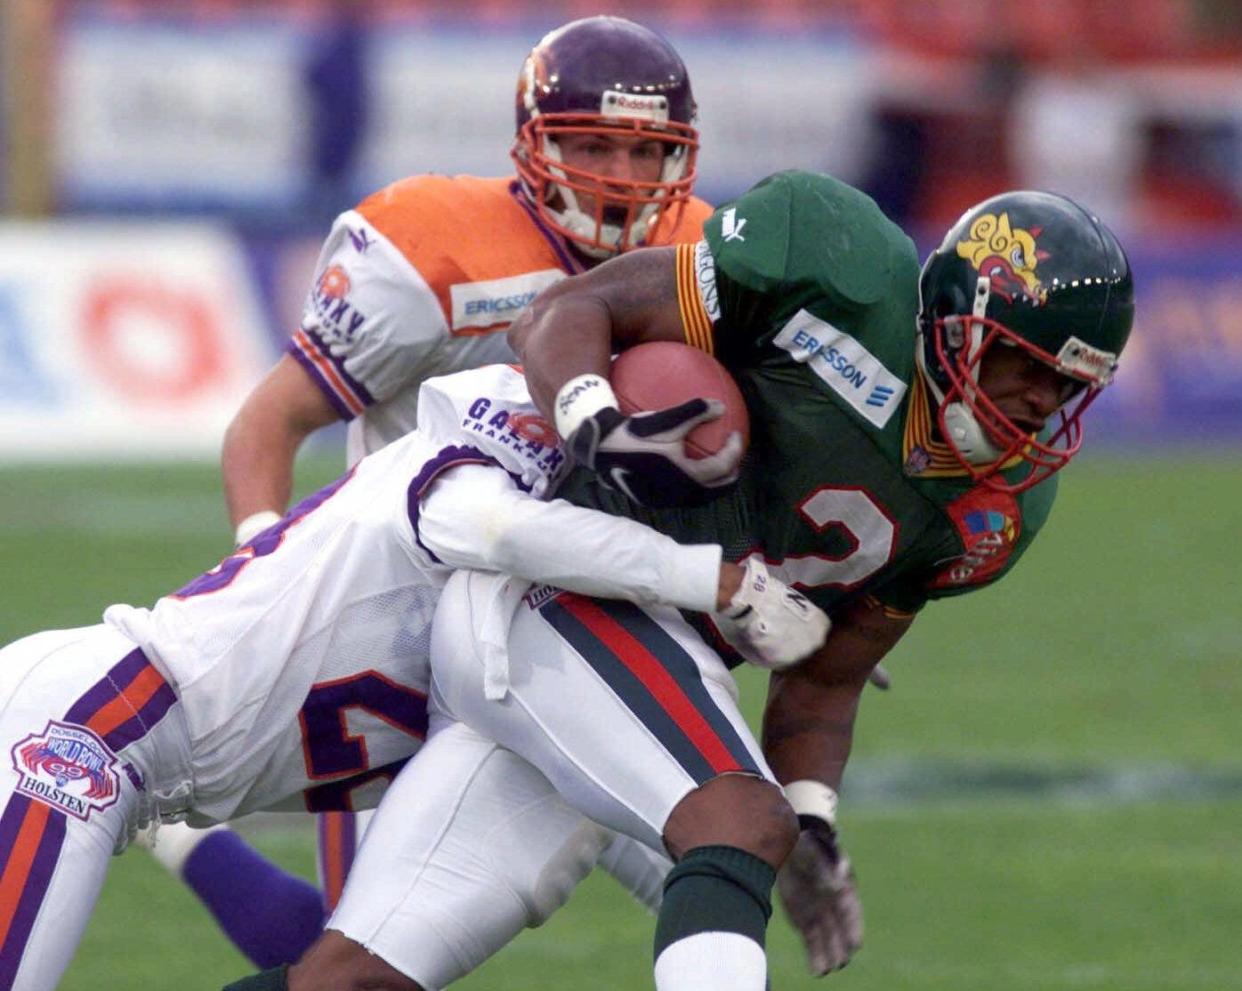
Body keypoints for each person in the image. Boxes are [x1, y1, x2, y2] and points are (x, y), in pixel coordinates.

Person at [240, 172, 1134, 991]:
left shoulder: (998, 511)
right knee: (738, 817)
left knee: (354, 978)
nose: (1038, 403)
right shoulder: (840, 270)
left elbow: (826, 675)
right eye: (1026, 363)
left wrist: (814, 818)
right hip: (563, 586)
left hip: (628, 667)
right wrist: (597, 426)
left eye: (1067, 387)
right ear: (954, 315)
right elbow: (571, 307)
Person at [137, 14, 715, 969]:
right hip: (406, 618)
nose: (619, 173)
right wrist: (270, 574)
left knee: (735, 849)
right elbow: (269, 421)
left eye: (642, 149)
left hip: (582, 610)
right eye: (591, 143)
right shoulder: (431, 248)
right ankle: (181, 832)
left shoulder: (695, 259)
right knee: (351, 949)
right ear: (534, 145)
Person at [0, 357, 829, 991]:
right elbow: (504, 530)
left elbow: (598, 798)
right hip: (88, 727)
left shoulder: (529, 634)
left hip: (149, 761)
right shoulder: (468, 475)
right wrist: (711, 579)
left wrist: (755, 858)